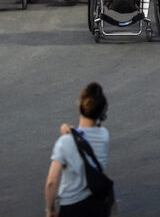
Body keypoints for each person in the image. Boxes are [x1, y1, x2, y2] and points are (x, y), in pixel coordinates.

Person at [45, 82, 111, 217]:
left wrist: (50, 209)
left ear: (80, 105)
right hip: (97, 205)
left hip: (72, 208)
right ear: (102, 113)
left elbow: (51, 182)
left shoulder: (64, 143)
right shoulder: (104, 135)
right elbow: (83, 140)